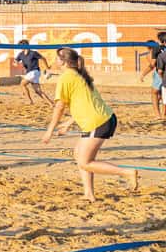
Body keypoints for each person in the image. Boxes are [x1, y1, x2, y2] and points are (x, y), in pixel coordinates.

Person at [43, 47, 138, 201]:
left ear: (64, 61)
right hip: (101, 118)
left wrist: (49, 131)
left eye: (57, 58)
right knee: (78, 154)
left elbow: (59, 107)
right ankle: (89, 194)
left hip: (98, 122)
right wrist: (68, 123)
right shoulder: (78, 75)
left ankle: (127, 172)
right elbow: (85, 103)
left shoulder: (67, 77)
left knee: (85, 162)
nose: (55, 60)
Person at [13, 39, 52, 105]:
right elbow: (15, 61)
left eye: (20, 46)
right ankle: (51, 103)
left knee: (22, 84)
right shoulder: (21, 54)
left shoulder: (33, 53)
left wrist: (47, 67)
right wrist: (16, 63)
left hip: (34, 72)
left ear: (25, 46)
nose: (19, 48)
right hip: (30, 73)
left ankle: (30, 101)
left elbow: (43, 58)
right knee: (38, 91)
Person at [138, 31, 166, 119]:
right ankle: (163, 114)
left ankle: (158, 115)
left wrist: (143, 74)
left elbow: (152, 65)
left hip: (160, 72)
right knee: (162, 94)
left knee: (154, 93)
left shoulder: (155, 49)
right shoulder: (159, 49)